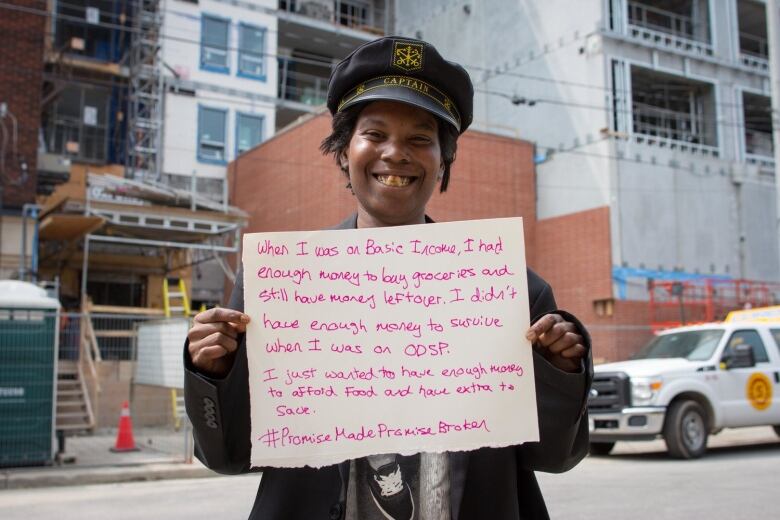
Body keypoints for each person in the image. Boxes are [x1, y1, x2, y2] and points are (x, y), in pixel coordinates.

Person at [185, 36, 593, 520]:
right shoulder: (277, 290)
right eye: (374, 134)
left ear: (444, 160)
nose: (395, 153)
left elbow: (557, 457)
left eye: (420, 139)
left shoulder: (514, 292)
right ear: (343, 151)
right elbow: (227, 456)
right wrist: (211, 372)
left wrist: (559, 371)